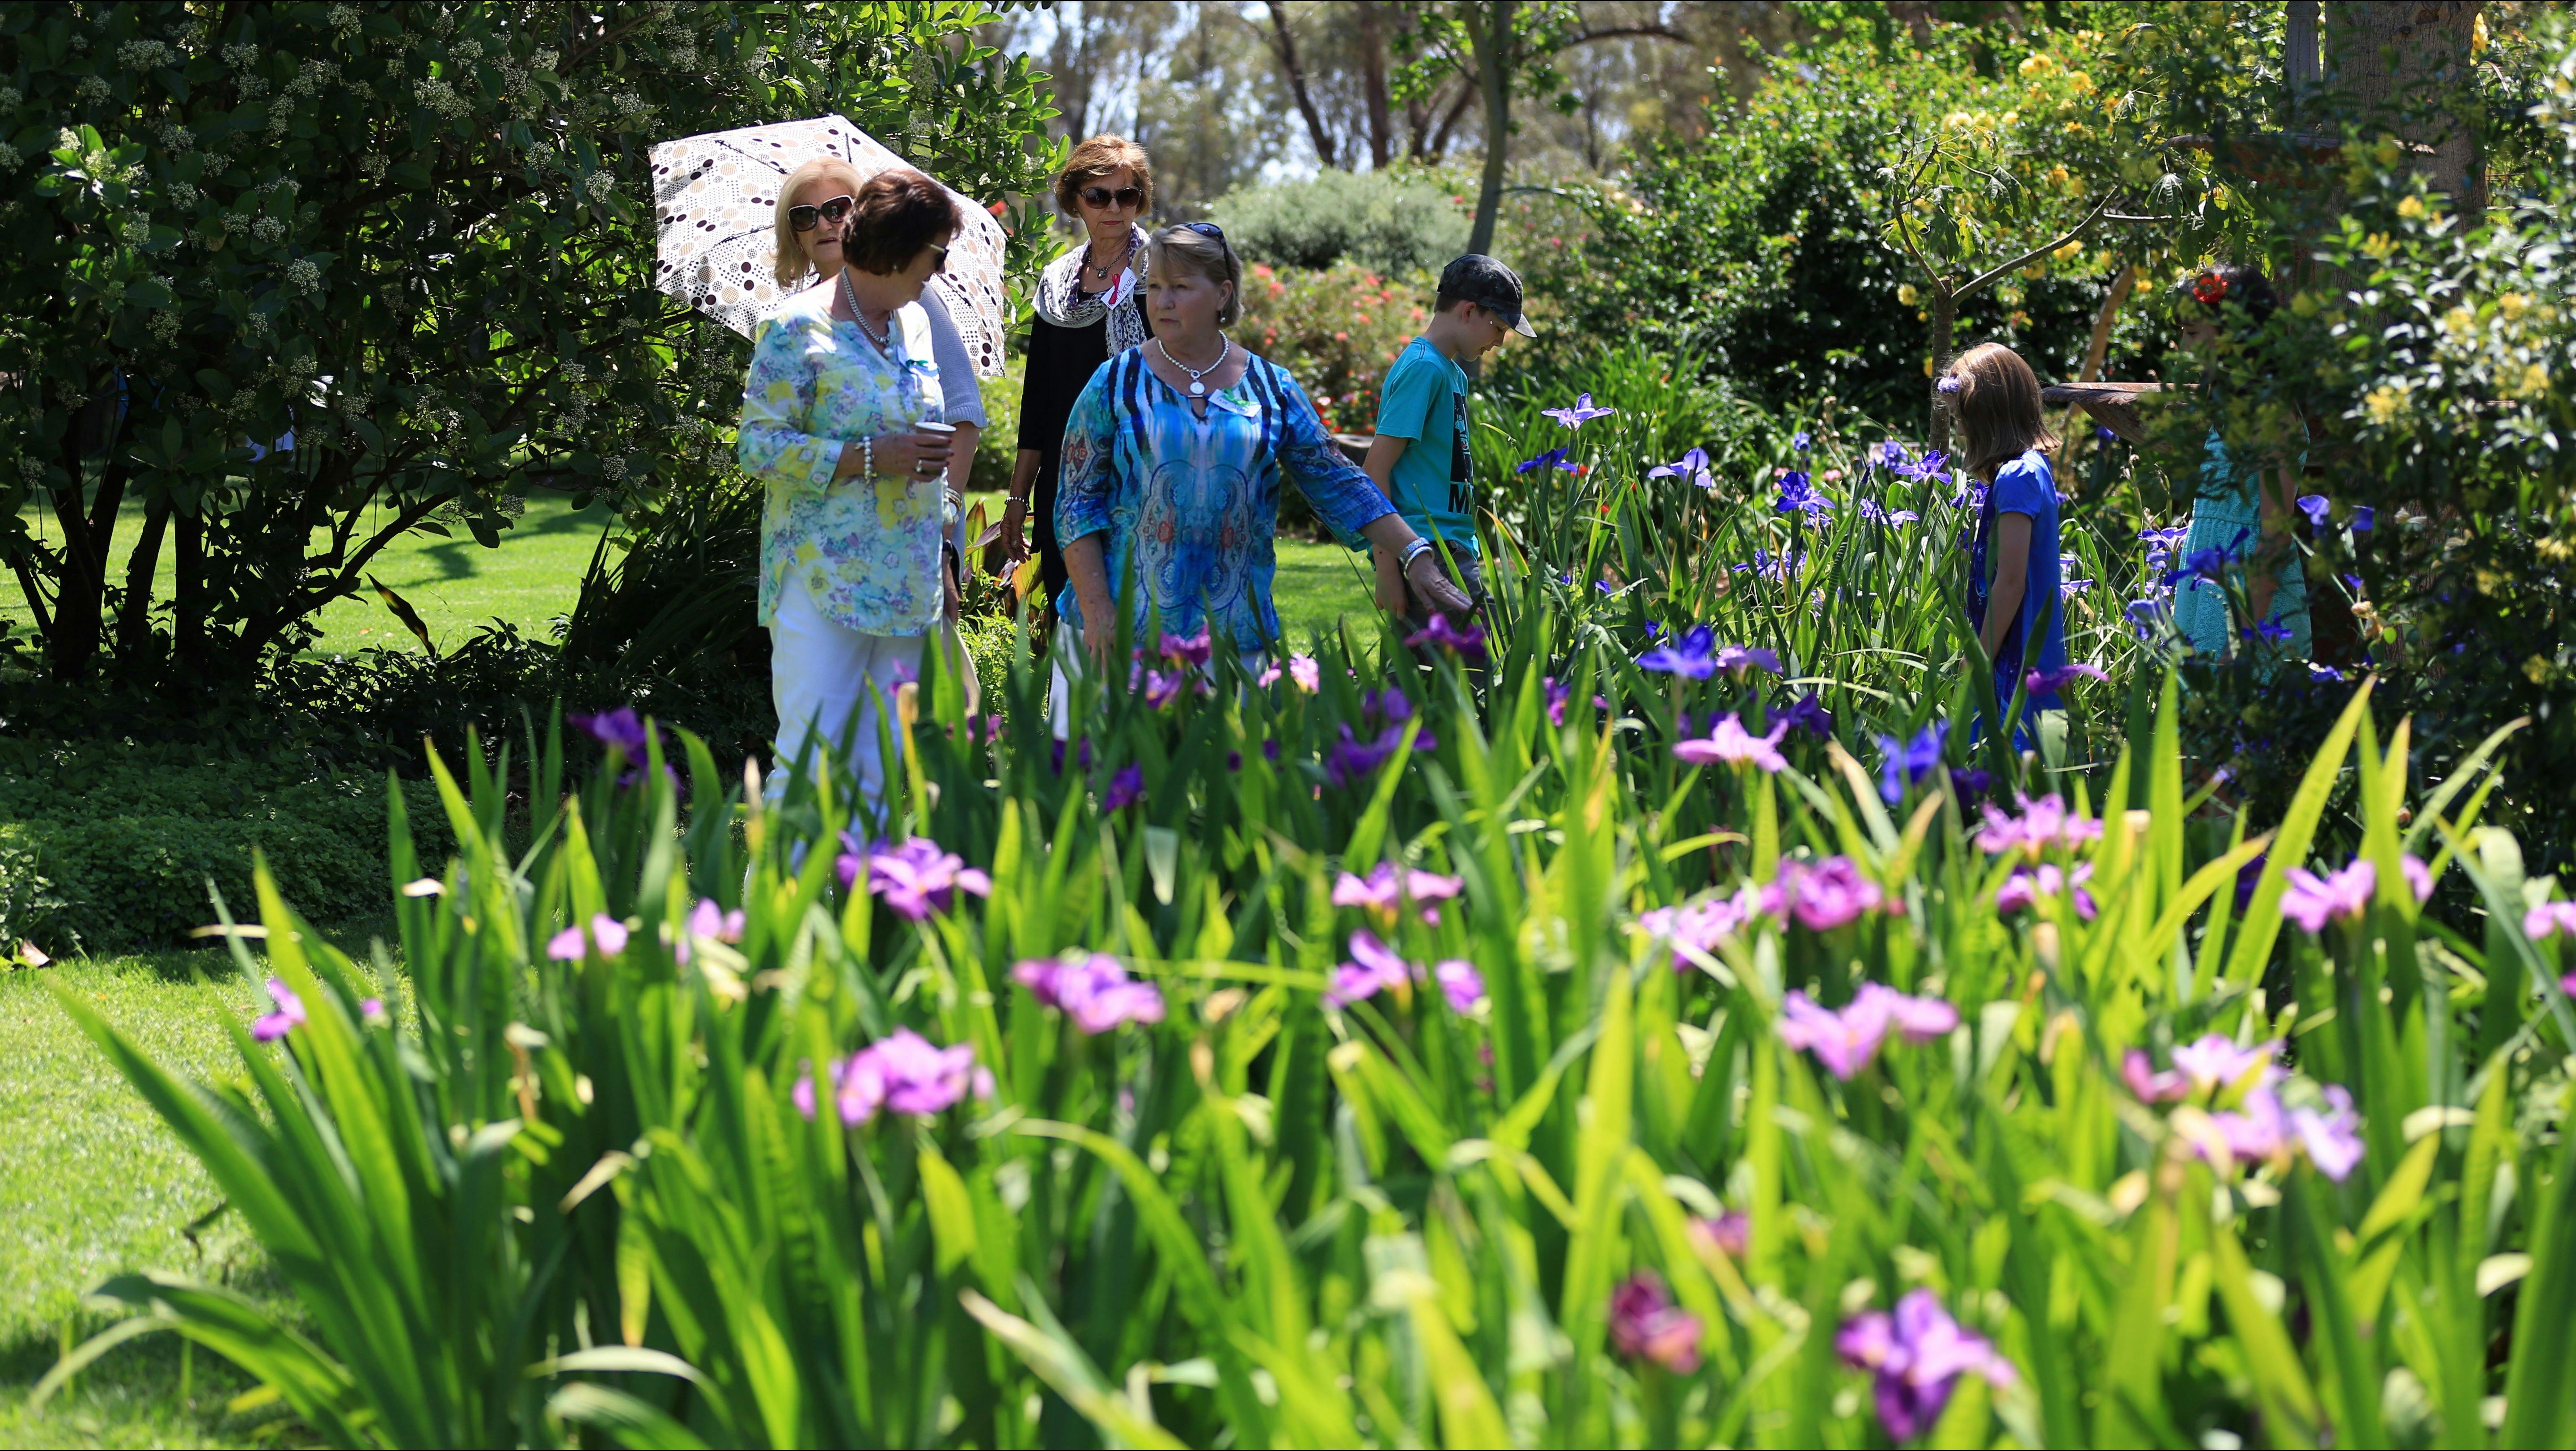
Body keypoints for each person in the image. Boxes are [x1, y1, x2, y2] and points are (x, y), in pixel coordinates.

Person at [1052, 223, 1471, 721]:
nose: (1162, 300)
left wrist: (1415, 552)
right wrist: (1098, 611)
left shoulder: (1271, 386)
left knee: (1223, 790)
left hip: (1232, 638)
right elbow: (1076, 503)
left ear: (1222, 294)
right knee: (1097, 786)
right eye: (1156, 286)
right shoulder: (1114, 381)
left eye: (1181, 287)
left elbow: (1337, 479)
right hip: (1115, 635)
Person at [737, 162, 963, 815]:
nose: (939, 269)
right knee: (808, 765)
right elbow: (759, 447)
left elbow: (923, 435)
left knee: (875, 772)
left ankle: (854, 915)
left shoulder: (914, 322)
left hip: (904, 579)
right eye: (935, 253)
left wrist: (940, 515)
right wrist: (873, 456)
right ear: (898, 251)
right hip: (822, 580)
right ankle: (769, 916)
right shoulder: (795, 328)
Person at [1007, 136, 1154, 618]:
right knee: (1070, 628)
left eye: (1126, 195)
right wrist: (1017, 497)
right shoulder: (1055, 286)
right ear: (1074, 200)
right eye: (1098, 195)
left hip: (1144, 479)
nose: (1114, 207)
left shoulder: (1165, 276)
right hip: (1065, 479)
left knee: (1140, 628)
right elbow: (1040, 402)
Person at [1363, 254, 1533, 633]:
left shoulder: (1451, 373)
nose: (1500, 342)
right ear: (1470, 311)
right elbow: (1375, 470)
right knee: (1484, 661)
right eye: (1499, 327)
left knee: (1434, 679)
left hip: (1451, 548)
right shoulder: (1424, 368)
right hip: (1426, 550)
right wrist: (1389, 568)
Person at [2169, 263, 2310, 664]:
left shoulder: (2273, 415)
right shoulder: (2228, 409)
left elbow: (2274, 538)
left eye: (2194, 333)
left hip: (2252, 607)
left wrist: (2243, 638)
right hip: (2210, 597)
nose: (2184, 347)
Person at [1947, 342, 2068, 740]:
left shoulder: (2017, 477)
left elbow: (2012, 580)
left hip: (2016, 652)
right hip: (2028, 646)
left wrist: (1978, 657)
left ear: (1986, 413)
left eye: (1962, 417)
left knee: (2003, 759)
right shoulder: (2032, 468)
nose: (1958, 427)